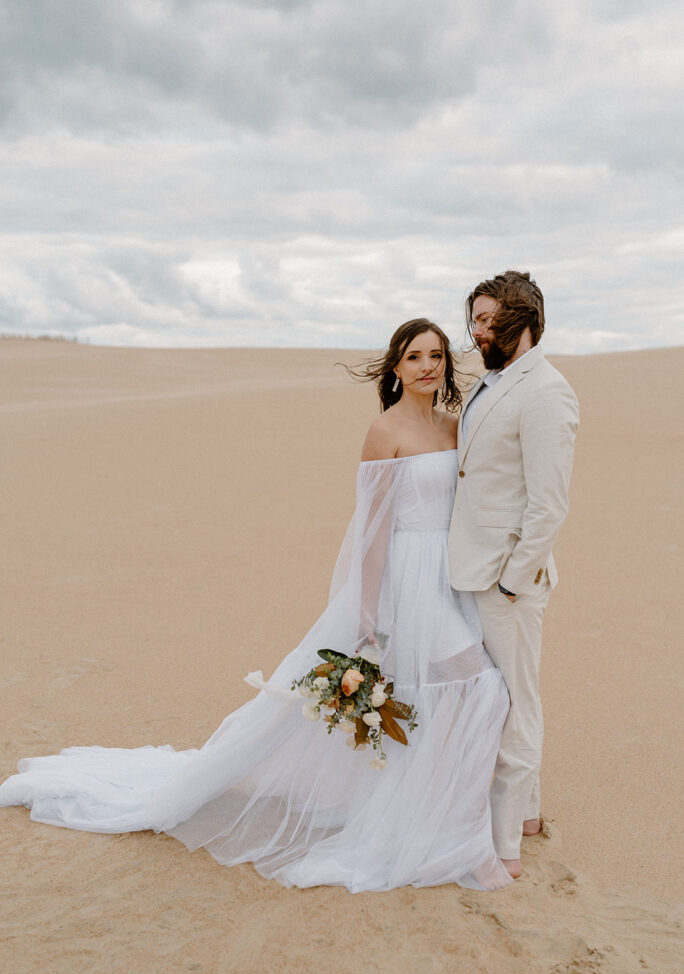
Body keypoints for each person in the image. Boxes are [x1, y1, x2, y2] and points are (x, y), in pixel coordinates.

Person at [0, 318, 513, 893]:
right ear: (395, 368)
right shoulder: (384, 430)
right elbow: (371, 530)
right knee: (481, 688)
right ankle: (464, 841)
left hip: (451, 576)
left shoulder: (452, 425)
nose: (428, 366)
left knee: (457, 697)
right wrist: (368, 613)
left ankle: (437, 817)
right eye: (415, 356)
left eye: (436, 355)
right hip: (408, 582)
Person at [447, 271, 580, 879]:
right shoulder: (493, 383)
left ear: (522, 320)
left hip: (507, 578)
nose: (474, 332)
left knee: (515, 706)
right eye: (472, 319)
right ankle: (526, 813)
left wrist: (513, 579)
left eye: (485, 320)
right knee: (501, 698)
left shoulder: (547, 391)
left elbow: (548, 504)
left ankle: (504, 849)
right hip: (474, 568)